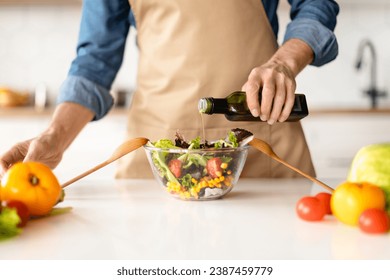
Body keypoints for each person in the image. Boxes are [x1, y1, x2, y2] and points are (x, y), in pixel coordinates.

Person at [0, 0, 339, 179]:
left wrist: (283, 63)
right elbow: (94, 62)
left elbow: (317, 4)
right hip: (158, 161)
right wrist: (53, 139)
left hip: (262, 147)